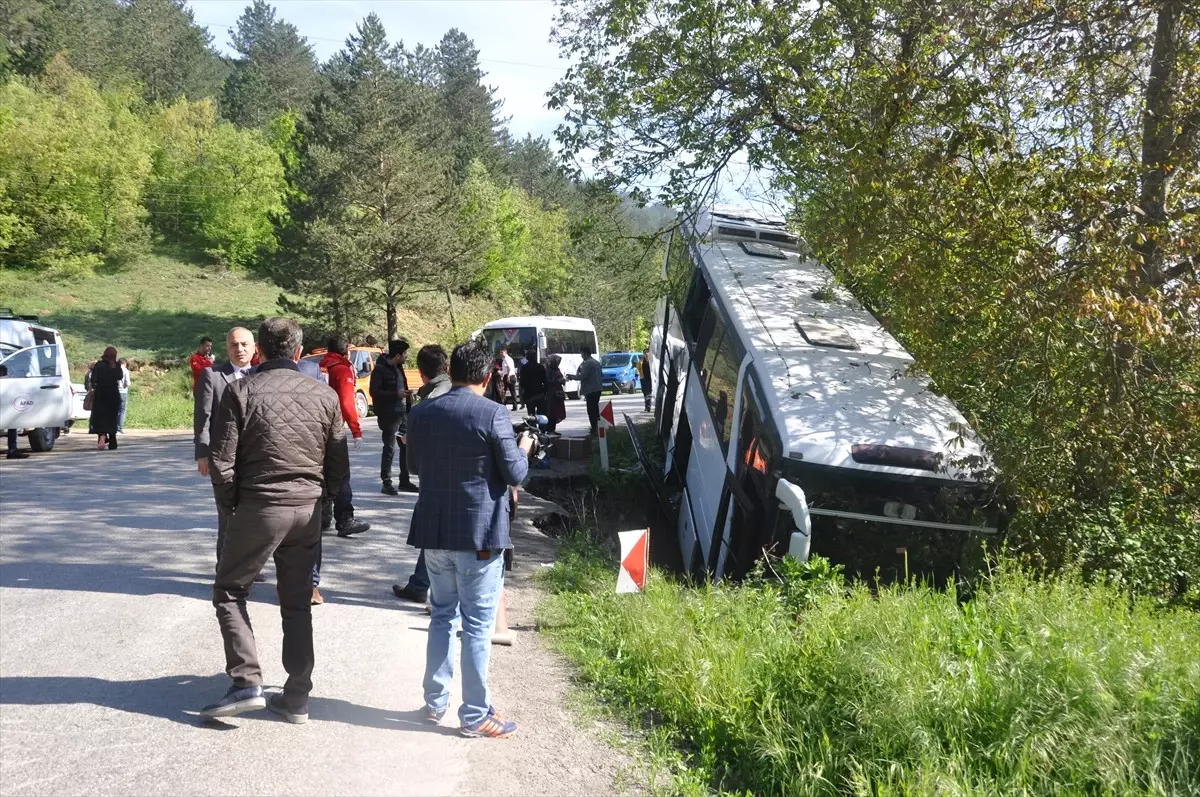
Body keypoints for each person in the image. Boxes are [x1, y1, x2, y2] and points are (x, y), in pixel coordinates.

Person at [200, 317, 349, 723]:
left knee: (230, 591)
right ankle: (297, 697)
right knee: (297, 602)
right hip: (307, 509)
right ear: (299, 353)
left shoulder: (240, 390)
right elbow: (338, 463)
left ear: (260, 351)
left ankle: (247, 680)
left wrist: (232, 507)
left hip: (259, 506)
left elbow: (222, 461)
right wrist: (325, 503)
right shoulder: (324, 395)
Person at [406, 340, 535, 737]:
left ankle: (434, 703)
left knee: (443, 616)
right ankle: (475, 715)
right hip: (478, 537)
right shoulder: (494, 413)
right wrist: (525, 447)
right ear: (486, 375)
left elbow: (413, 465)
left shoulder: (423, 411)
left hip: (434, 533)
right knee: (477, 626)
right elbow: (515, 474)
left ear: (452, 371)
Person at [391, 344, 451, 605]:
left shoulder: (427, 403)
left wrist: (410, 443)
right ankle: (420, 583)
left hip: (437, 474)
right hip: (462, 471)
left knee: (437, 530)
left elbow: (414, 465)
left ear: (423, 374)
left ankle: (435, 591)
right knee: (439, 531)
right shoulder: (461, 390)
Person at [195, 327, 257, 567]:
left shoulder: (261, 374)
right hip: (224, 459)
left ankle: (247, 566)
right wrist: (202, 452)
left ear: (254, 348)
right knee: (228, 515)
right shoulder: (213, 375)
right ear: (226, 348)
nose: (239, 349)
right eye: (234, 345)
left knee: (252, 517)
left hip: (255, 458)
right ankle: (226, 567)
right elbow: (203, 416)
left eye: (244, 344)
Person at [319, 334, 370, 540]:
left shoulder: (321, 367)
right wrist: (356, 430)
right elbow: (347, 403)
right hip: (333, 428)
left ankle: (323, 516)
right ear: (345, 351)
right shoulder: (342, 368)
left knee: (321, 471)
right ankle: (345, 519)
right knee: (341, 474)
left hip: (313, 427)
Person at [371, 339, 416, 494]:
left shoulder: (399, 367)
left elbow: (401, 387)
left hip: (402, 413)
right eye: (405, 354)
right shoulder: (380, 370)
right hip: (389, 415)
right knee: (390, 447)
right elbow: (374, 392)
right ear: (398, 355)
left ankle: (405, 481)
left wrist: (407, 396)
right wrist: (395, 394)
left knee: (406, 446)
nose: (406, 357)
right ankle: (387, 482)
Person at [88, 347, 122, 450]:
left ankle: (101, 436)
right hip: (113, 395)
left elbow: (94, 380)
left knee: (100, 417)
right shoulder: (116, 365)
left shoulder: (99, 365)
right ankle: (113, 442)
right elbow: (120, 377)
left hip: (101, 395)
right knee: (112, 417)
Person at [575, 345, 603, 436]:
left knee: (591, 409)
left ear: (585, 353)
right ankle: (599, 426)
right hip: (598, 388)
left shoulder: (587, 363)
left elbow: (583, 376)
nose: (581, 356)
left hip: (590, 390)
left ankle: (594, 427)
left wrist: (572, 377)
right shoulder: (596, 362)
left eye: (582, 354)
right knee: (595, 408)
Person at [519, 349, 547, 420]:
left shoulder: (524, 368)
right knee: (541, 414)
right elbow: (545, 381)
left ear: (527, 358)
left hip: (529, 395)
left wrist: (521, 398)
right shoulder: (540, 367)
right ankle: (542, 429)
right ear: (535, 357)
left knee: (531, 416)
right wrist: (545, 393)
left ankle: (533, 429)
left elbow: (521, 383)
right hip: (539, 393)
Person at [544, 354, 567, 434]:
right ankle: (550, 429)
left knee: (557, 411)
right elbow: (547, 381)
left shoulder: (557, 369)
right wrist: (557, 381)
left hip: (558, 393)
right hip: (551, 393)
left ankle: (552, 429)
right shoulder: (548, 370)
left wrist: (562, 381)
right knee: (552, 411)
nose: (558, 363)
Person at [500, 347, 518, 411]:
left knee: (505, 391)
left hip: (509, 376)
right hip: (509, 376)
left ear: (505, 352)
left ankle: (504, 405)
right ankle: (512, 406)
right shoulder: (506, 359)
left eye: (502, 352)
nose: (501, 354)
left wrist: (508, 377)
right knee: (509, 392)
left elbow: (509, 368)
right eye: (500, 352)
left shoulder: (507, 359)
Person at [116, 358, 131, 433]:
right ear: (124, 363)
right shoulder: (125, 371)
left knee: (115, 410)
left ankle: (114, 428)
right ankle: (119, 429)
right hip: (123, 392)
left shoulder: (114, 370)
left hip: (115, 392)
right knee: (122, 410)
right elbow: (127, 383)